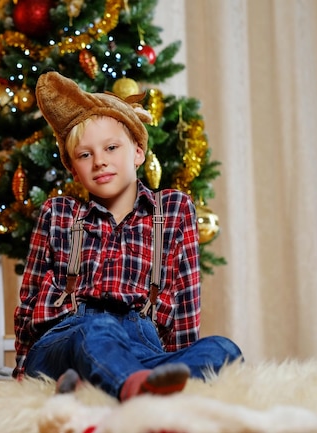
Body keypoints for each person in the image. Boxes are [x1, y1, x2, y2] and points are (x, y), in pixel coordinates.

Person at [13, 71, 242, 402]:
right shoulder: (59, 213)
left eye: (111, 147)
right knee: (99, 328)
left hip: (141, 344)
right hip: (65, 339)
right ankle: (135, 390)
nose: (100, 161)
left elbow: (185, 302)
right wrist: (22, 371)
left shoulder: (173, 210)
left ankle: (122, 382)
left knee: (224, 349)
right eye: (85, 154)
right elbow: (29, 300)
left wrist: (177, 360)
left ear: (137, 151)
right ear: (73, 168)